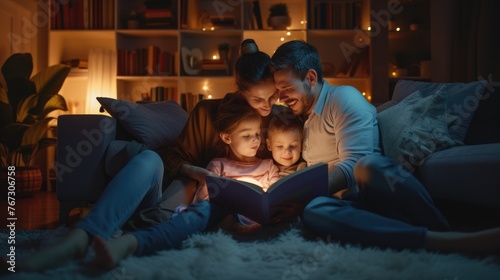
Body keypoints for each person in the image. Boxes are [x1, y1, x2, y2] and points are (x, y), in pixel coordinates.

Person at [12, 39, 282, 272]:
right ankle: (81, 237)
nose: (268, 107)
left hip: (201, 213)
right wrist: (196, 172)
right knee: (149, 158)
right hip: (181, 194)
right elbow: (174, 158)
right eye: (258, 100)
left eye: (273, 98)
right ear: (239, 89)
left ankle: (122, 238)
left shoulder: (277, 121)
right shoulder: (206, 113)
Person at [270, 39, 500, 255]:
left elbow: (354, 165)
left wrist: (304, 192)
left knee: (368, 167)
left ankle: (443, 233)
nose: (280, 97)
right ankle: (428, 239)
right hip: (348, 203)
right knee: (314, 210)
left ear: (311, 78)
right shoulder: (300, 116)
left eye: (286, 88)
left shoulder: (342, 98)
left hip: (378, 188)